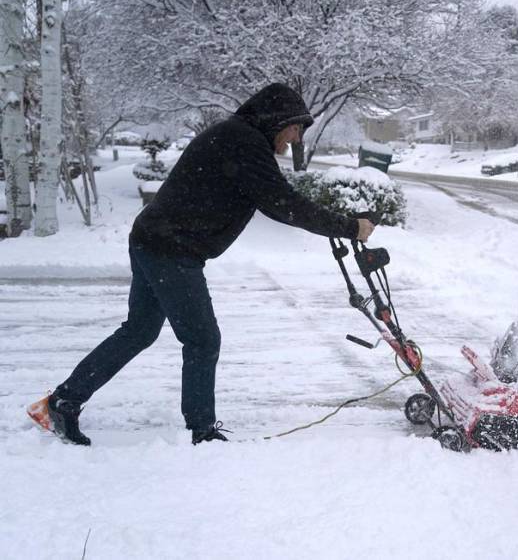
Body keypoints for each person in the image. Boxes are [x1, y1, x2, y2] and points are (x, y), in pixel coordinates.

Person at [27, 83, 375, 446]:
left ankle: (62, 402)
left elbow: (280, 200)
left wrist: (341, 224)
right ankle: (201, 430)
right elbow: (284, 204)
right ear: (278, 120)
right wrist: (350, 227)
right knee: (202, 340)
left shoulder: (238, 137)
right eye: (296, 129)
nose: (296, 139)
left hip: (154, 239)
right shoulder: (244, 143)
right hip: (171, 250)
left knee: (140, 331)